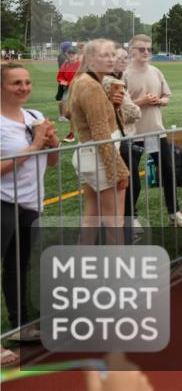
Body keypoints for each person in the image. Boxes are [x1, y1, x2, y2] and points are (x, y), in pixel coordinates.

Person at [1, 62, 59, 353]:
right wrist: (35, 144)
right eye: (16, 83)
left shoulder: (35, 116)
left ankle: (20, 326)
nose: (24, 88)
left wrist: (51, 142)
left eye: (27, 82)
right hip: (3, 202)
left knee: (18, 268)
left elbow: (53, 162)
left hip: (31, 202)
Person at [67, 39, 131, 239]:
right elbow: (101, 132)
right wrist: (119, 170)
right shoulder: (91, 86)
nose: (112, 59)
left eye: (113, 54)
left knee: (91, 217)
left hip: (91, 155)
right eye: (105, 55)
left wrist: (115, 106)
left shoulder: (87, 82)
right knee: (114, 222)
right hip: (100, 158)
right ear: (91, 60)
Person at [123, 34, 181, 225]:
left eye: (149, 49)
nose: (146, 52)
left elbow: (166, 97)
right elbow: (118, 107)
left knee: (168, 170)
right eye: (141, 49)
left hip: (155, 131)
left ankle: (174, 212)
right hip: (132, 134)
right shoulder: (123, 74)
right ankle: (131, 217)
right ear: (131, 50)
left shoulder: (156, 71)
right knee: (131, 179)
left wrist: (160, 101)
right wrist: (141, 102)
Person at [57, 46, 82, 139]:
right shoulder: (65, 64)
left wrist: (71, 83)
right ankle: (73, 131)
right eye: (69, 53)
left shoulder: (80, 65)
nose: (71, 55)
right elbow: (59, 76)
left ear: (77, 55)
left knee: (73, 112)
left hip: (78, 89)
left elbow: (82, 77)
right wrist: (65, 83)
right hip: (67, 89)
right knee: (67, 113)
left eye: (73, 53)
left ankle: (72, 133)